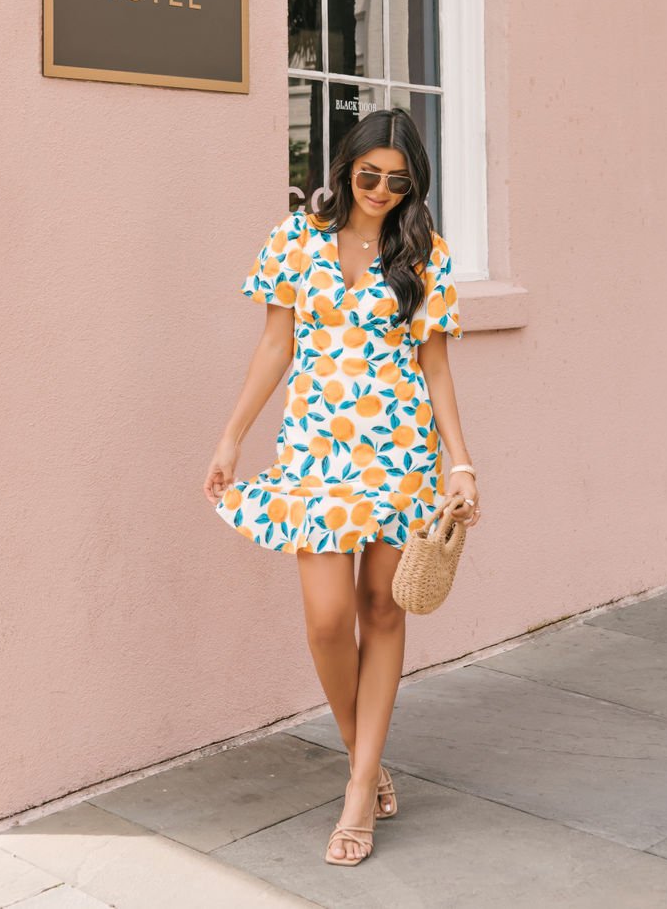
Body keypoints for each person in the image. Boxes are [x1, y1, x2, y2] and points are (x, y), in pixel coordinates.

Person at [203, 107, 482, 867]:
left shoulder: (426, 253)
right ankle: (366, 750)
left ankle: (358, 787)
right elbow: (274, 343)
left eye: (399, 180)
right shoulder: (297, 237)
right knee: (328, 619)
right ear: (343, 168)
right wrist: (232, 435)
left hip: (399, 453)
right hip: (316, 452)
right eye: (369, 176)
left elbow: (435, 368)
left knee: (380, 608)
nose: (382, 191)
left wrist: (460, 461)